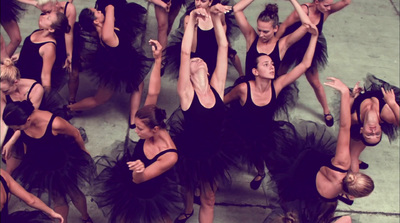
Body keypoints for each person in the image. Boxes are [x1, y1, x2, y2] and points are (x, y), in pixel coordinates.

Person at [91, 39, 180, 223]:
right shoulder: (152, 116)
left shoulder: (170, 155)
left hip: (147, 189)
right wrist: (157, 60)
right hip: (130, 175)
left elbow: (140, 180)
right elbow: (153, 91)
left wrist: (139, 170)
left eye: (139, 129)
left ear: (154, 129)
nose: (136, 131)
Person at [264, 77, 375, 222]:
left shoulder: (342, 164)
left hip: (301, 161)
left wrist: (345, 93)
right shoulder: (328, 201)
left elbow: (344, 127)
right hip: (299, 184)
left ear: (357, 176)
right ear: (352, 195)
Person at [223, 21, 318, 190]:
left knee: (262, 152)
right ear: (255, 71)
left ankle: (261, 173)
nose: (272, 67)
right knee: (232, 150)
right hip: (240, 128)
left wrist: (314, 37)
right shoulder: (243, 89)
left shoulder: (278, 85)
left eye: (272, 64)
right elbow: (223, 101)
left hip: (263, 131)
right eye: (266, 64)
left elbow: (304, 65)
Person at [171, 4, 232, 223]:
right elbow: (185, 52)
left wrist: (216, 18)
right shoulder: (186, 94)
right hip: (190, 150)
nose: (197, 59)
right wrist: (192, 19)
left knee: (209, 198)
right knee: (188, 186)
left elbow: (223, 46)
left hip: (212, 153)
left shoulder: (217, 86)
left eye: (201, 60)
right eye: (192, 62)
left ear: (208, 69)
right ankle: (187, 209)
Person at [2, 100, 94, 223]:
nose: (15, 130)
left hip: (60, 164)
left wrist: (83, 151)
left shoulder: (55, 124)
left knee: (74, 192)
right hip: (39, 164)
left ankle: (85, 217)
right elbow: (19, 132)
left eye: (17, 127)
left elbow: (76, 133)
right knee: (57, 198)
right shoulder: (20, 121)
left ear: (28, 119)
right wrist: (11, 142)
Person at [66, 1, 150, 129]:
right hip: (117, 68)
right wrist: (107, 6)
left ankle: (133, 119)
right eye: (97, 12)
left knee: (138, 84)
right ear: (95, 22)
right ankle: (69, 108)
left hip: (124, 60)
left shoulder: (102, 28)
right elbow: (110, 7)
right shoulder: (106, 35)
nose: (100, 11)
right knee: (98, 100)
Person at [276, 0, 352, 126]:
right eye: (326, 5)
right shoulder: (303, 10)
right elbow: (283, 26)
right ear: (316, 2)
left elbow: (346, 2)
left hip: (309, 50)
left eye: (329, 5)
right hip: (291, 47)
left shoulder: (325, 12)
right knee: (279, 76)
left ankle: (326, 111)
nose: (328, 8)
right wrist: (274, 45)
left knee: (316, 83)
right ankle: (272, 101)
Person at [233, 0, 311, 78]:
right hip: (249, 88)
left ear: (275, 28)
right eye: (259, 30)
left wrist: (292, 0)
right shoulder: (251, 37)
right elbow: (237, 9)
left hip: (270, 89)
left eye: (265, 32)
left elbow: (307, 25)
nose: (261, 35)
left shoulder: (282, 45)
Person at [347, 74, 399, 173]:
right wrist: (392, 103)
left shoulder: (354, 118)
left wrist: (352, 97)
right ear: (380, 128)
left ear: (361, 130)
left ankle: (355, 161)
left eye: (369, 134)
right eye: (377, 133)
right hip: (382, 97)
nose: (373, 130)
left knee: (352, 154)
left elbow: (345, 112)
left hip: (360, 101)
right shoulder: (387, 114)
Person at [13, 11, 71, 92]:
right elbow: (32, 51)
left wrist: (47, 98)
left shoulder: (49, 47)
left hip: (28, 84)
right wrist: (20, 54)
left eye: (48, 18)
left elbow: (45, 76)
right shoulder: (37, 32)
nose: (43, 16)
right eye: (47, 14)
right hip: (18, 75)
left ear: (51, 29)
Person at [37, 0, 77, 96]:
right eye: (44, 12)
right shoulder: (45, 10)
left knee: (73, 71)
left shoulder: (68, 8)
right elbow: (41, 32)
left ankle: (72, 100)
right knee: (50, 68)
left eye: (49, 11)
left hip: (67, 38)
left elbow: (68, 34)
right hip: (52, 38)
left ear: (56, 4)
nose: (46, 15)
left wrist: (69, 55)